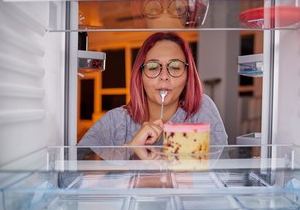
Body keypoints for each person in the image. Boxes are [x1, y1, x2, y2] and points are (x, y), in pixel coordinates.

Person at [78, 31, 228, 147]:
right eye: (153, 67)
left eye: (175, 67)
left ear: (188, 75)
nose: (164, 76)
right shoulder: (115, 121)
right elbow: (71, 174)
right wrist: (130, 149)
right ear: (140, 74)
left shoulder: (201, 110)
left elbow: (224, 172)